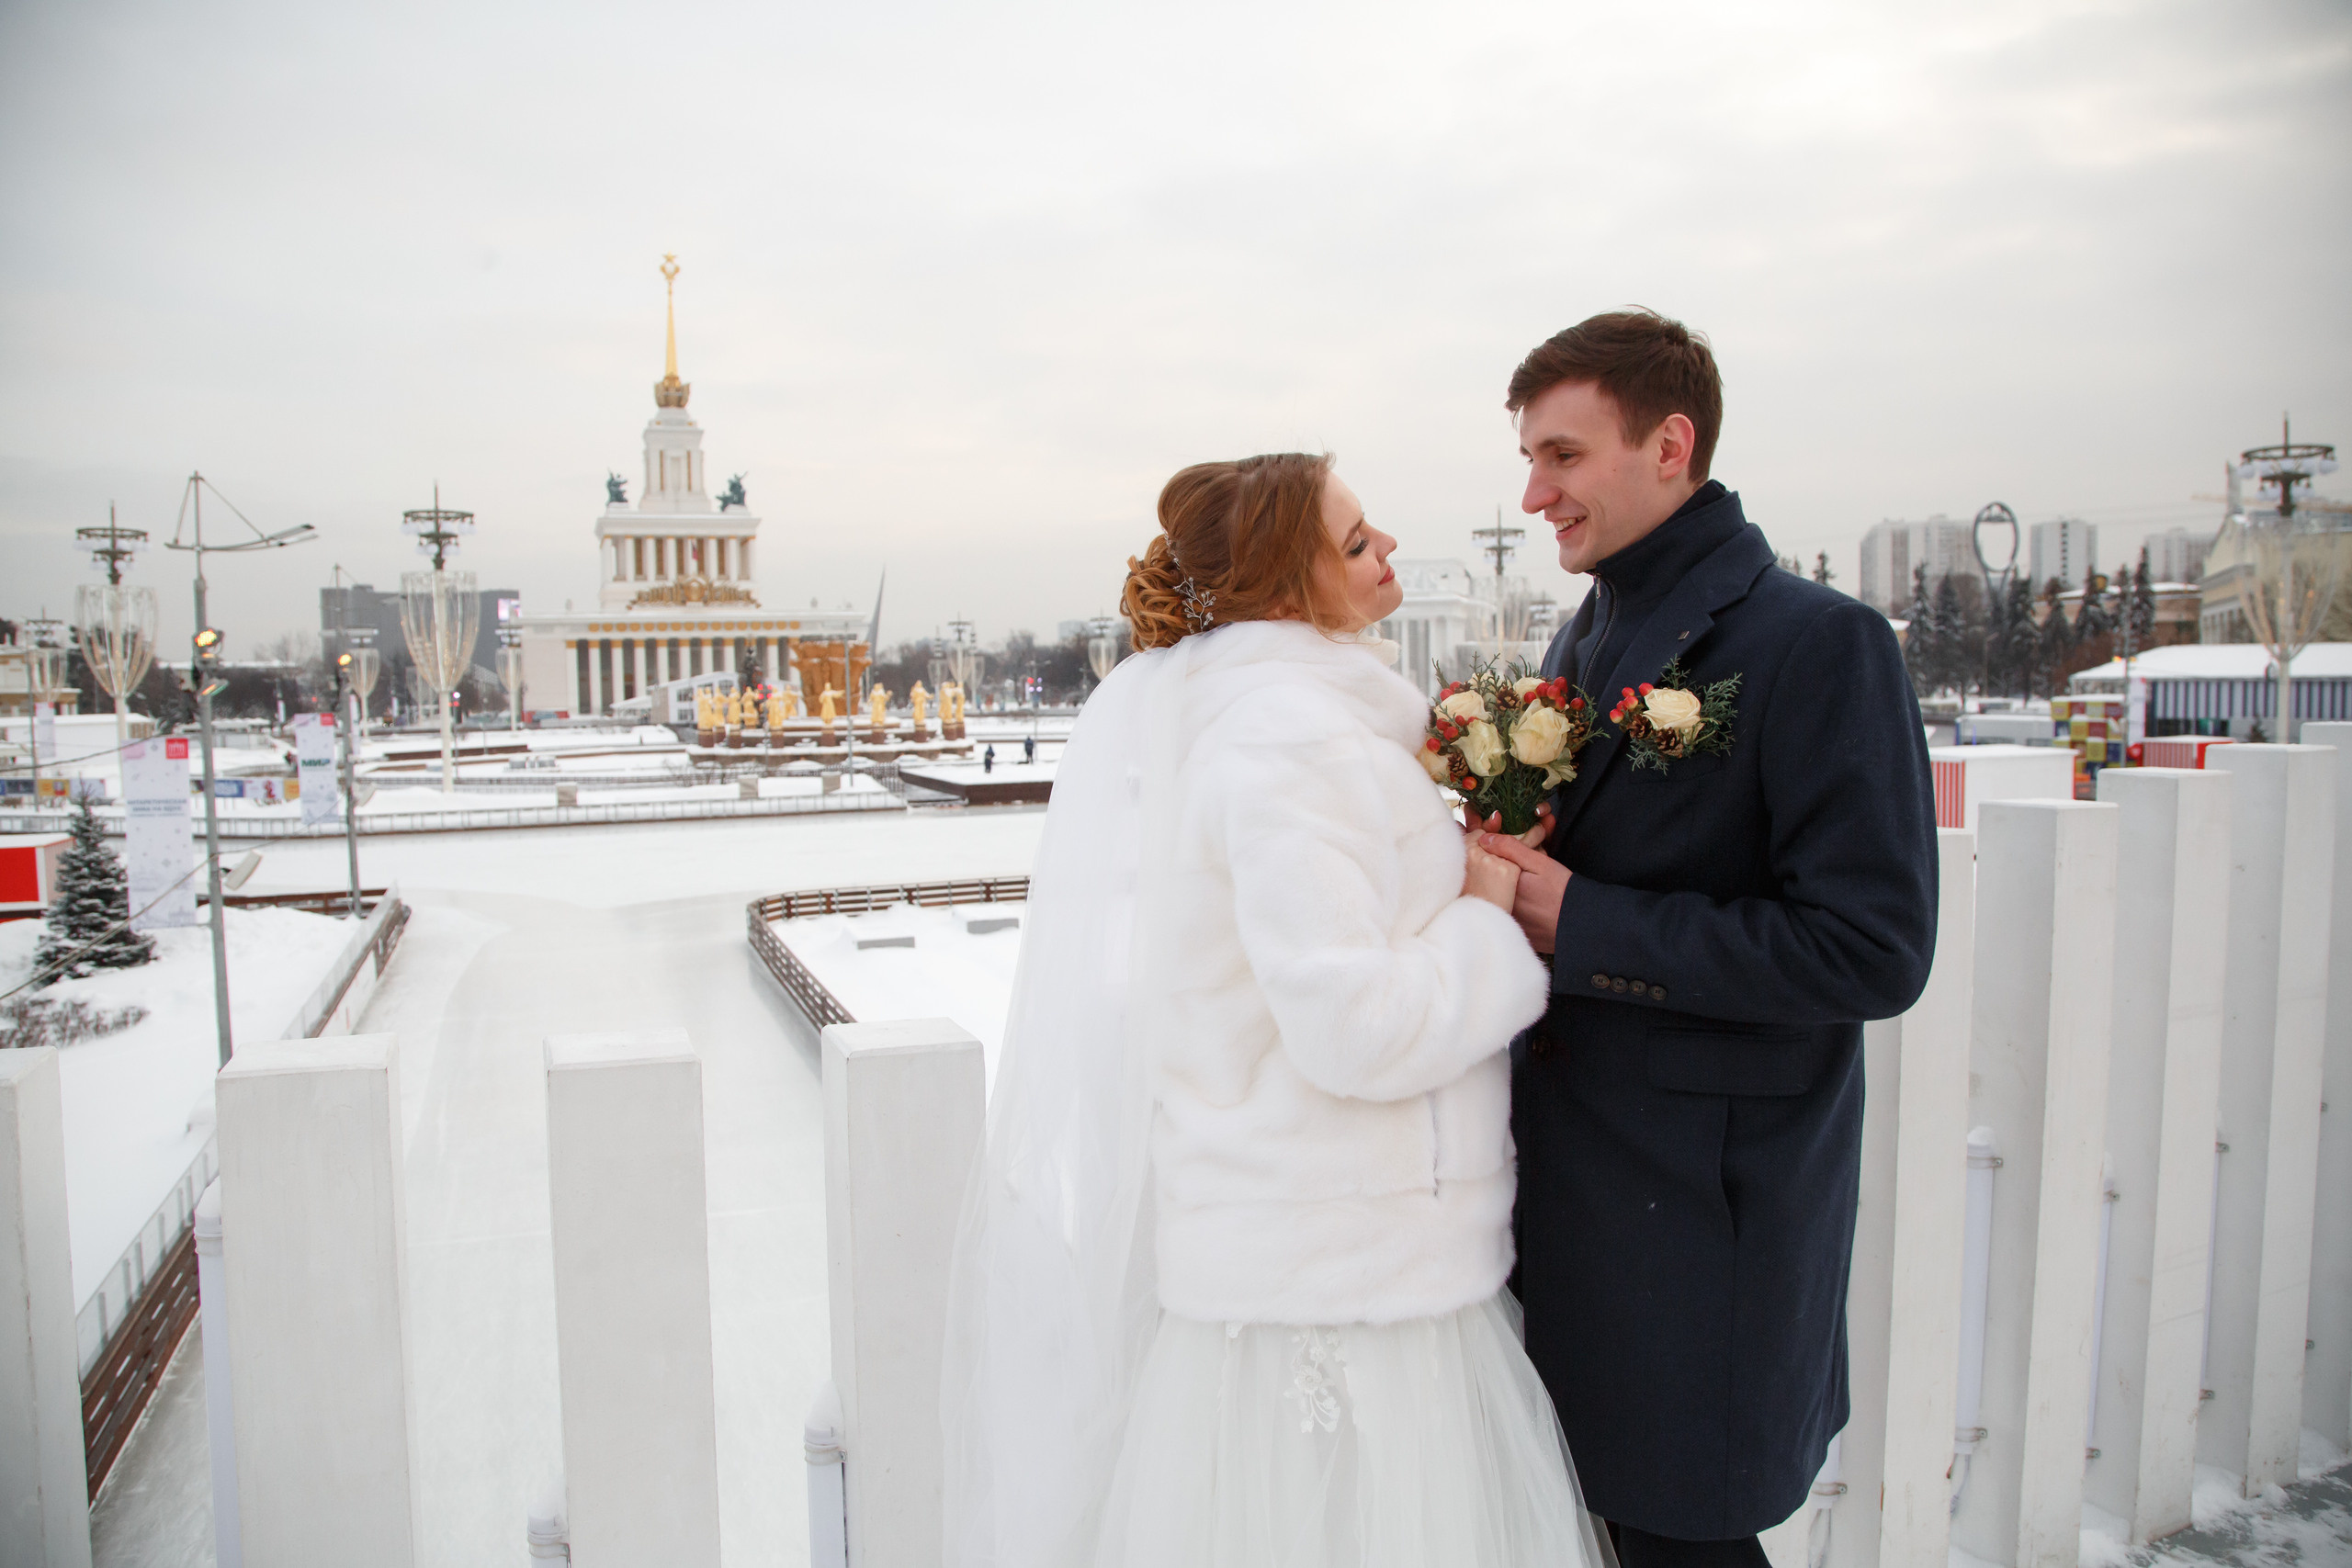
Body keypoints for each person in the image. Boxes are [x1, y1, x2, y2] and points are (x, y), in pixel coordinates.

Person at [943, 452, 1611, 1568]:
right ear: (1282, 595)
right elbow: (1354, 1024)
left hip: (1346, 1254)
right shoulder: (1286, 743)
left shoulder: (1312, 725)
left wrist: (1456, 865)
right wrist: (1487, 918)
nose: (1388, 547)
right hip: (1340, 1284)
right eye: (1354, 544)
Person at [1475, 311, 1939, 1567]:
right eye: (1530, 458)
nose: (1533, 493)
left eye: (1561, 455)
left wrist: (1583, 918)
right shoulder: (1583, 637)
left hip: (1700, 1233)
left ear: (1669, 443)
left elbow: (1873, 947)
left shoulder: (1817, 642)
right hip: (1564, 1209)